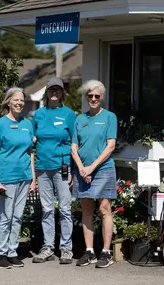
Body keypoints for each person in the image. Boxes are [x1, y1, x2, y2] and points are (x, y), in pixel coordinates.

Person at [0, 87, 36, 269]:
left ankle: (12, 251)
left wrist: (33, 178)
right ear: (8, 102)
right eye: (16, 100)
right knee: (6, 216)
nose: (19, 103)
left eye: (22, 100)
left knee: (18, 216)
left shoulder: (27, 124)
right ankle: (0, 252)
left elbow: (30, 152)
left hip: (24, 177)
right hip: (7, 177)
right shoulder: (0, 125)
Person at [71, 80, 117, 269]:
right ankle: (89, 251)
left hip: (104, 169)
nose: (93, 99)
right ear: (86, 97)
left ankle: (106, 252)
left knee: (104, 208)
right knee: (87, 209)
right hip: (82, 171)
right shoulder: (80, 119)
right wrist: (82, 168)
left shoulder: (109, 117)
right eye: (90, 96)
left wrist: (91, 168)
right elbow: (74, 147)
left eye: (97, 96)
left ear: (102, 97)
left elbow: (111, 146)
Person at [32, 78, 76, 264]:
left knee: (65, 208)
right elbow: (32, 140)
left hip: (63, 167)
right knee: (47, 209)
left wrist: (72, 169)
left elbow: (74, 143)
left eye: (58, 89)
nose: (54, 92)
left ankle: (66, 248)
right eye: (51, 89)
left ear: (62, 93)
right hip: (42, 168)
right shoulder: (38, 115)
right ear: (46, 93)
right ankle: (48, 247)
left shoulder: (68, 114)